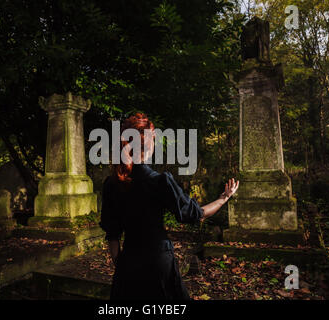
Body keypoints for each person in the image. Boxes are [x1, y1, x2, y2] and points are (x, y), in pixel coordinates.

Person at [99, 113, 239, 300]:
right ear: (149, 145)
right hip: (159, 263)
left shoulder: (111, 184)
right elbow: (196, 214)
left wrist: (121, 266)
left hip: (128, 263)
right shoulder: (160, 182)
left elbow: (112, 234)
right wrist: (224, 198)